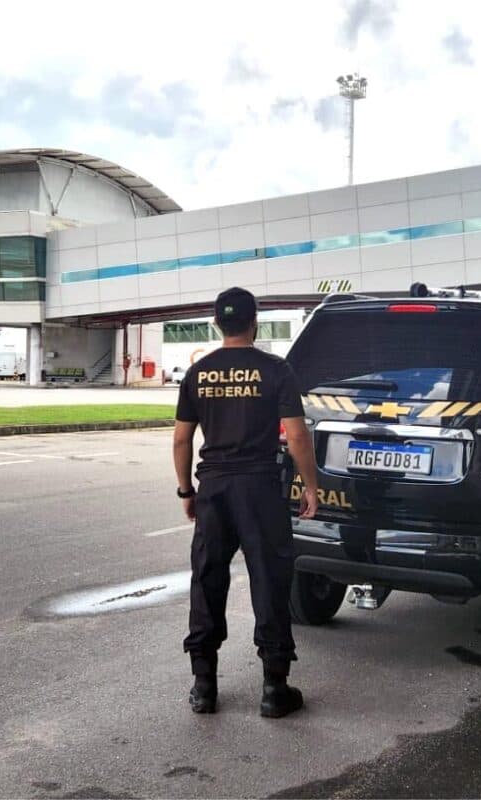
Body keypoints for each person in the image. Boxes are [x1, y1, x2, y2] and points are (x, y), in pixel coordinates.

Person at [172, 287, 320, 718]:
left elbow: (182, 439)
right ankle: (274, 689)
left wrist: (187, 491)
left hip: (214, 491)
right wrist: (310, 485)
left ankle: (204, 688)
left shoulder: (198, 373)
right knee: (270, 582)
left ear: (217, 323)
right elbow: (296, 436)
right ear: (255, 322)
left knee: (207, 580)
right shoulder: (276, 370)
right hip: (260, 491)